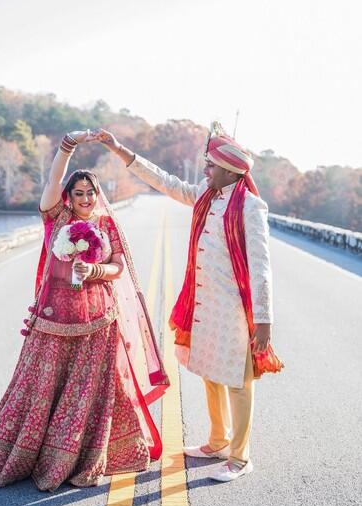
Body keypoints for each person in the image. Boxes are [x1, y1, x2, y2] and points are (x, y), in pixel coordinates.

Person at [0, 131, 169, 491]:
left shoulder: (106, 224)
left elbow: (118, 266)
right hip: (54, 317)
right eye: (79, 193)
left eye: (91, 193)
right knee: (40, 385)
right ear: (68, 196)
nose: (86, 199)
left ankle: (77, 455)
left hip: (97, 320)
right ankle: (29, 454)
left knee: (88, 391)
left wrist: (94, 270)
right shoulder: (56, 217)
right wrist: (68, 145)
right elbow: (52, 180)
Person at [92, 127, 282, 482]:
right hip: (204, 306)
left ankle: (240, 457)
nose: (205, 171)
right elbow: (165, 182)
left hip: (235, 310)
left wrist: (264, 321)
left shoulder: (251, 207)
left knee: (239, 382)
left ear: (229, 170)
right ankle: (217, 440)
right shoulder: (204, 197)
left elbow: (261, 267)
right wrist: (120, 150)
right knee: (211, 372)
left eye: (210, 166)